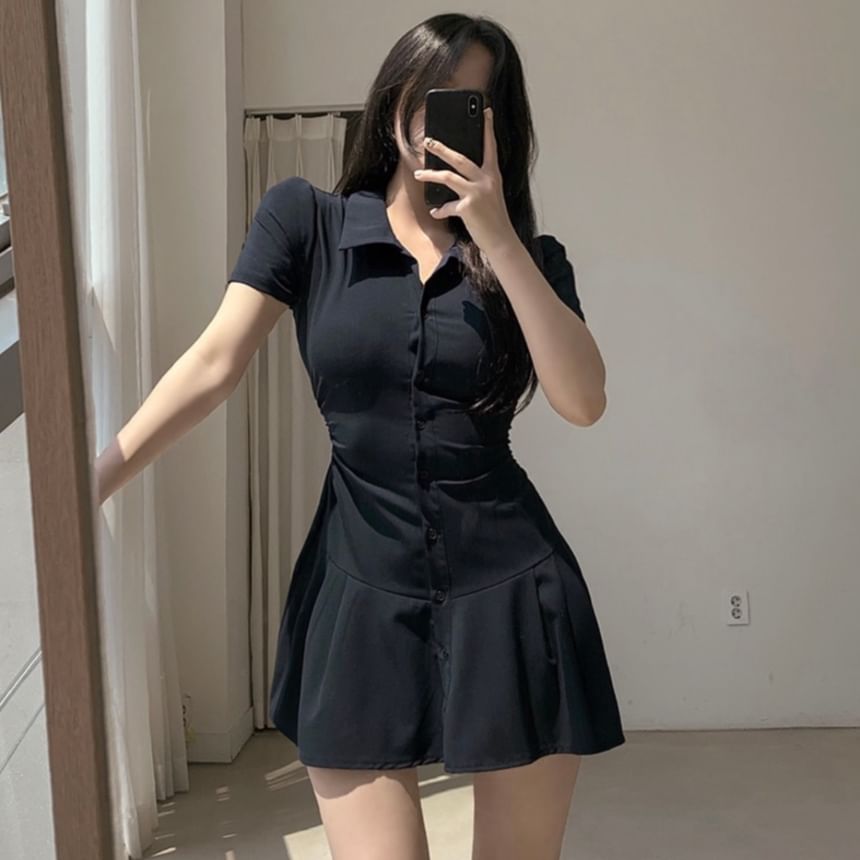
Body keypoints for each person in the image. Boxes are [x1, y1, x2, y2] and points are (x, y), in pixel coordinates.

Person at [96, 12, 625, 860]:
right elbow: (212, 364)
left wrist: (495, 233)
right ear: (394, 101)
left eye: (471, 106)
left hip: (512, 593)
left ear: (499, 131)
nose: (440, 121)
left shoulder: (530, 259)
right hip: (358, 590)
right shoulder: (307, 223)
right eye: (431, 94)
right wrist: (86, 483)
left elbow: (584, 399)